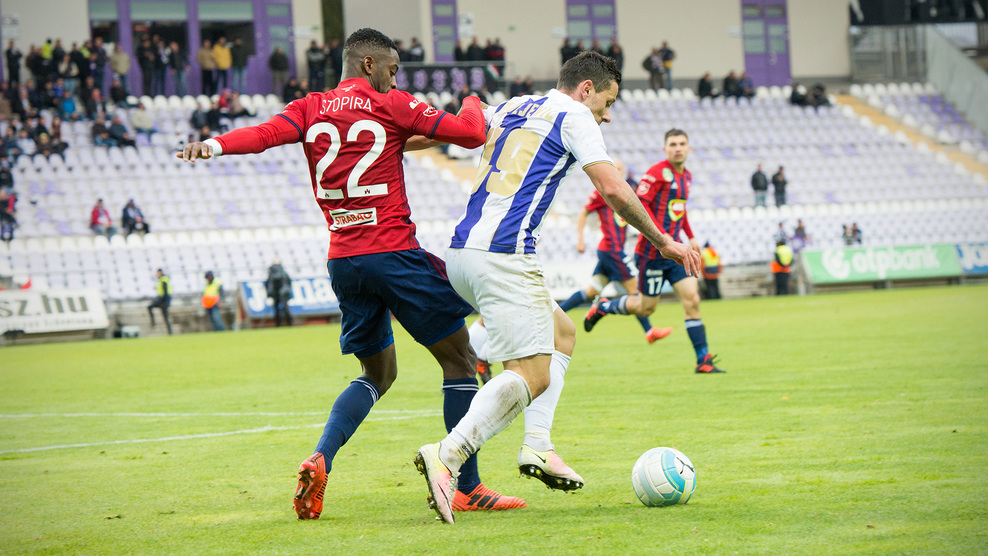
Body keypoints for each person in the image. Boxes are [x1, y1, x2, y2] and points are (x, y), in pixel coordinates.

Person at [178, 27, 525, 519]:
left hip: (344, 259)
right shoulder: (390, 104)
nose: (395, 79)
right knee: (461, 360)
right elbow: (470, 133)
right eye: (392, 69)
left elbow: (263, 136)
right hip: (394, 252)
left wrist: (213, 145)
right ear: (368, 64)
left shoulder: (310, 107)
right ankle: (467, 486)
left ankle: (321, 457)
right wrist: (474, 102)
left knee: (377, 374)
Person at [414, 51, 701, 524]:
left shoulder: (513, 105)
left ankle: (538, 446)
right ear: (587, 89)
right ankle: (448, 454)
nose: (608, 115)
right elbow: (612, 187)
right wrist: (663, 241)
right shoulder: (575, 114)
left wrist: (381, 142)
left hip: (462, 251)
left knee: (563, 333)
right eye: (607, 102)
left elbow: (441, 132)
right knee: (534, 373)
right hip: (504, 253)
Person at [584, 128, 726, 375]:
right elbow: (640, 205)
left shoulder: (686, 176)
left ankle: (703, 360)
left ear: (688, 148)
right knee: (645, 308)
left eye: (682, 144)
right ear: (665, 149)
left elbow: (679, 210)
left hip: (677, 252)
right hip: (652, 253)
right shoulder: (657, 173)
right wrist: (662, 236)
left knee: (692, 300)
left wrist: (690, 236)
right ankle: (604, 307)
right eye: (673, 144)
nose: (678, 148)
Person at [557, 158, 672, 343]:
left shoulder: (626, 192)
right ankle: (649, 331)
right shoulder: (601, 192)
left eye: (620, 169)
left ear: (624, 172)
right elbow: (583, 213)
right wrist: (580, 239)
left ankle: (554, 316)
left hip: (610, 251)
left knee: (591, 291)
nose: (617, 172)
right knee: (636, 290)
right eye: (614, 169)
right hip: (613, 250)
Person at [265, 259, 293, 327]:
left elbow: (267, 283)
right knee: (286, 307)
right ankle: (289, 323)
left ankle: (278, 324)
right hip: (284, 291)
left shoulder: (271, 272)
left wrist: (269, 293)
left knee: (276, 308)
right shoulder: (283, 271)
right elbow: (289, 282)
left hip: (275, 292)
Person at [148, 268, 173, 334]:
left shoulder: (163, 280)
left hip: (164, 301)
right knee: (150, 307)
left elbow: (165, 292)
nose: (157, 274)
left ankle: (170, 332)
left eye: (158, 273)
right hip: (162, 300)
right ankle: (153, 323)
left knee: (165, 317)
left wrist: (160, 301)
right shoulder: (161, 280)